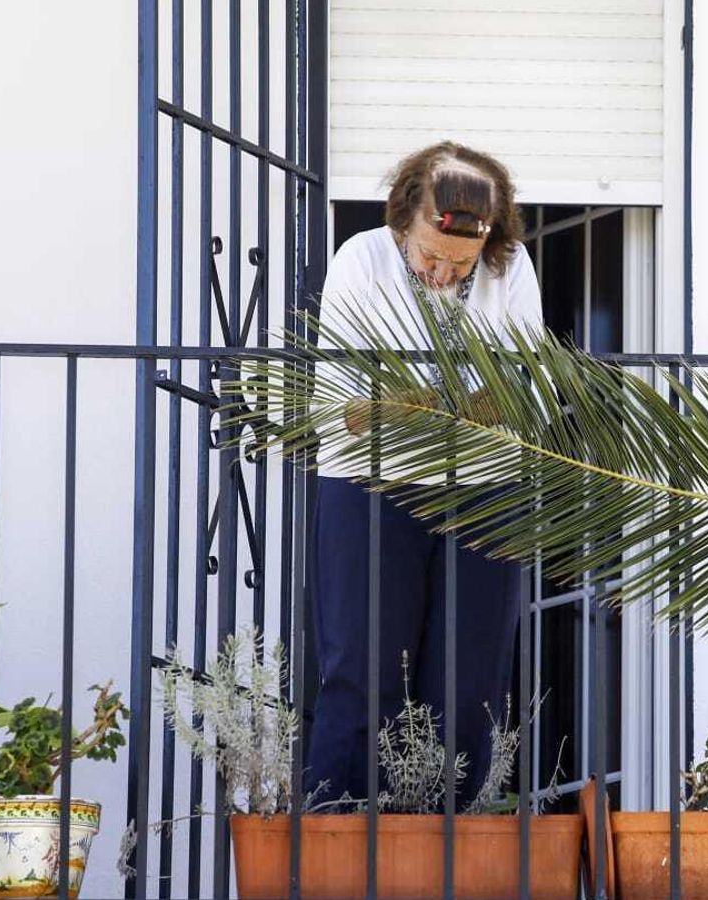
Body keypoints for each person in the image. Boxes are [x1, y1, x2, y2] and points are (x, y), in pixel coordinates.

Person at [306, 141, 541, 806]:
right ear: (404, 220)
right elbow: (347, 408)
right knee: (360, 668)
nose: (442, 274)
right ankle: (337, 832)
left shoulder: (511, 266)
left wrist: (406, 403)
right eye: (430, 258)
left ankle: (456, 839)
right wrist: (462, 405)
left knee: (469, 677)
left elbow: (524, 396)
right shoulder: (362, 258)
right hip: (366, 484)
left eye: (459, 265)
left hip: (487, 489)